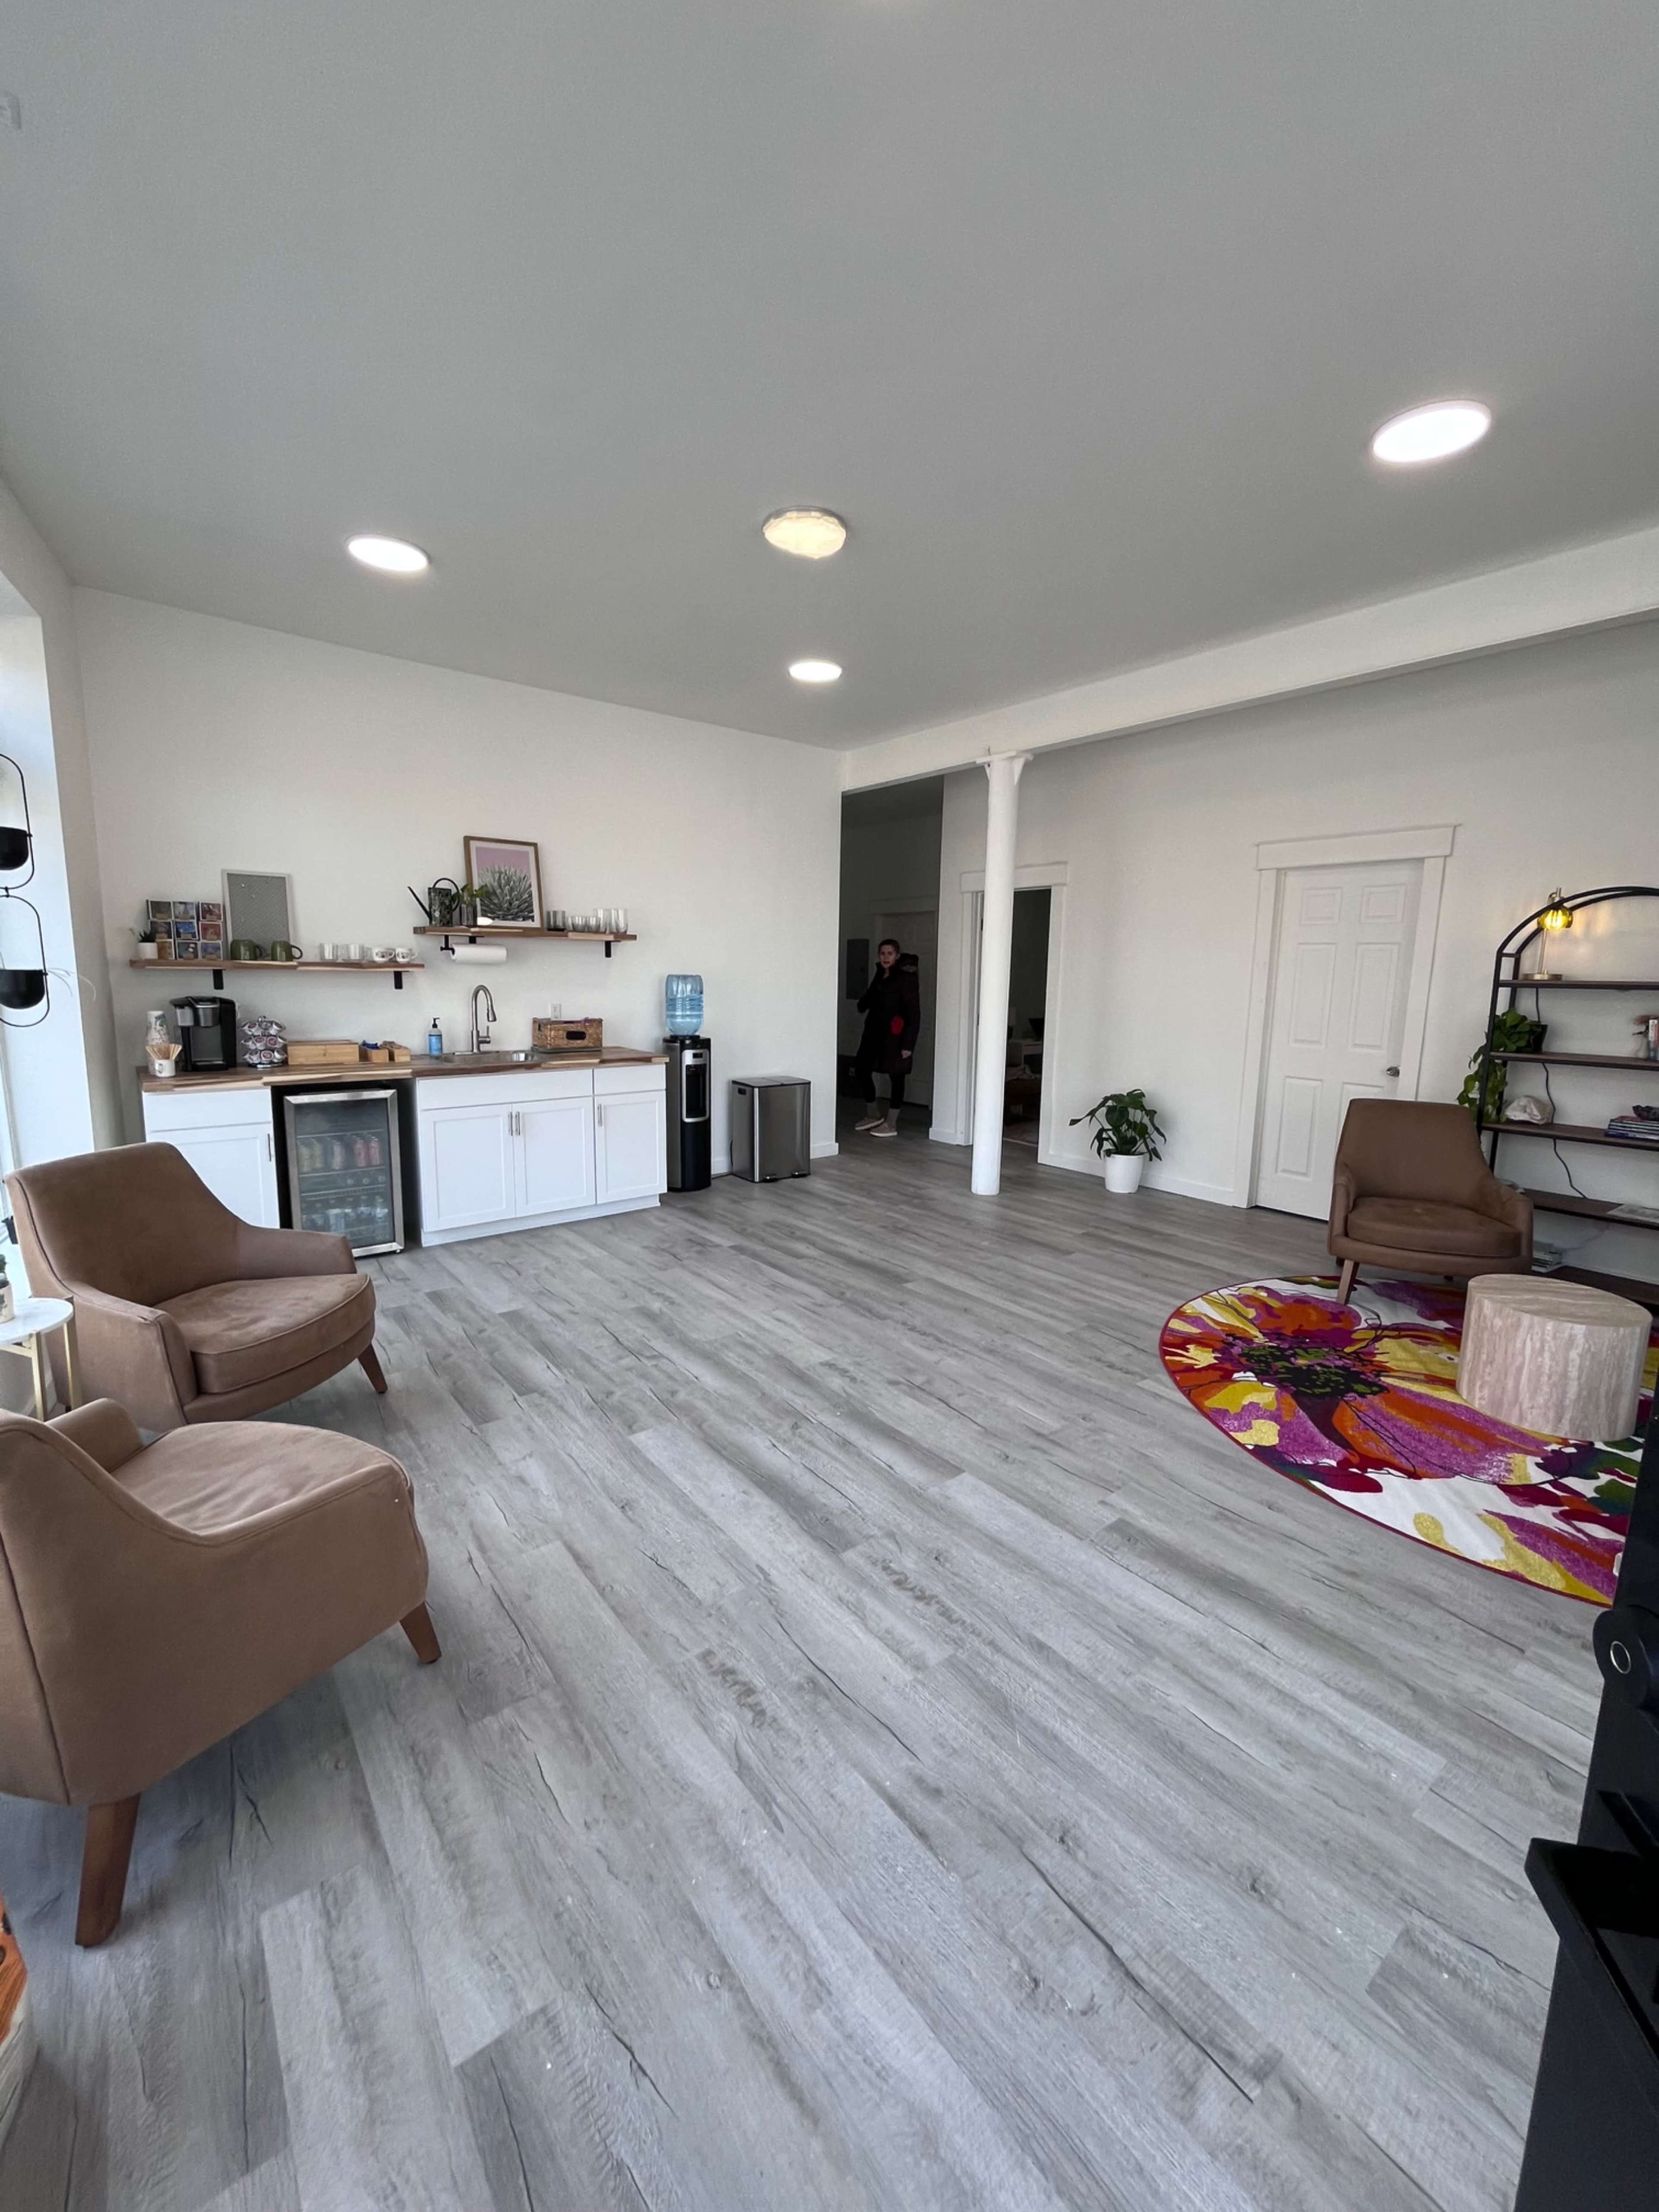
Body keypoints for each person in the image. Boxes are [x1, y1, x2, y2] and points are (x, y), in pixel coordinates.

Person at [853, 939, 920, 1138]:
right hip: (873, 1034)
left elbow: (914, 1013)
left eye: (890, 954)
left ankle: (891, 1123)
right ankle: (873, 1114)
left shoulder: (907, 979)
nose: (886, 957)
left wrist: (909, 1044)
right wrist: (862, 1004)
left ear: (897, 956)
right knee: (862, 1069)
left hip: (896, 1036)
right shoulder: (880, 975)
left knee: (896, 1076)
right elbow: (870, 999)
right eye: (883, 953)